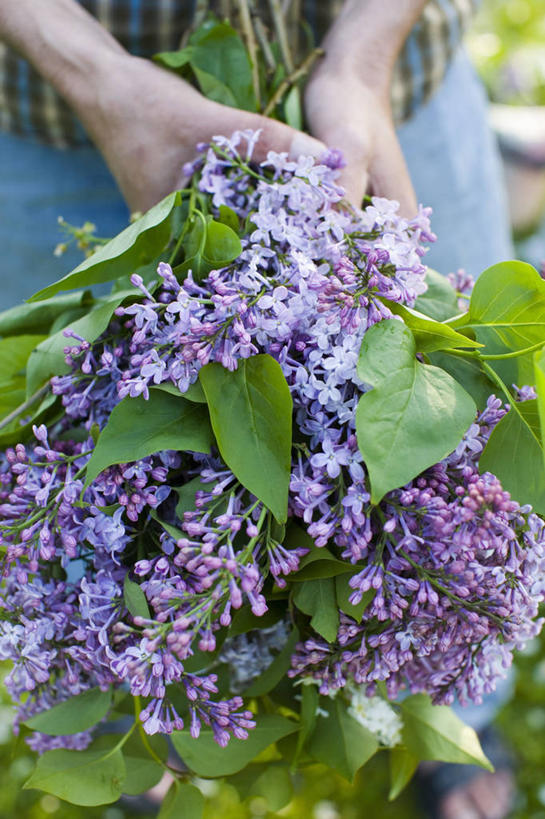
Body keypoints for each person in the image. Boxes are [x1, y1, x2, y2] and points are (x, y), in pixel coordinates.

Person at [0, 2, 516, 816]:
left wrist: (359, 59)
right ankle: (137, 682)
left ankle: (456, 705)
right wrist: (95, 79)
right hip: (48, 95)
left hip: (390, 77)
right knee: (88, 437)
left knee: (467, 425)